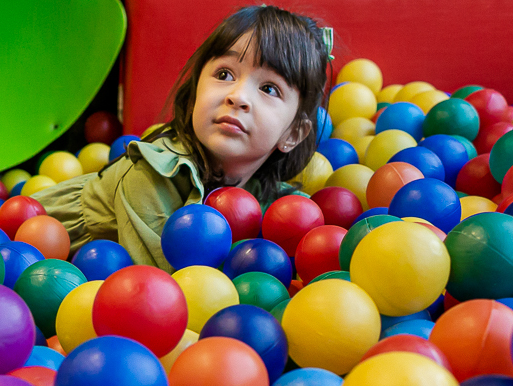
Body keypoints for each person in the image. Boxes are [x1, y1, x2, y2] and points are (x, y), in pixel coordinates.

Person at [36, 5, 332, 271]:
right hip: (31, 250)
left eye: (269, 89)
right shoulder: (153, 173)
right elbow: (160, 285)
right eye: (225, 74)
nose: (238, 96)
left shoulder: (267, 198)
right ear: (195, 96)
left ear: (293, 134)